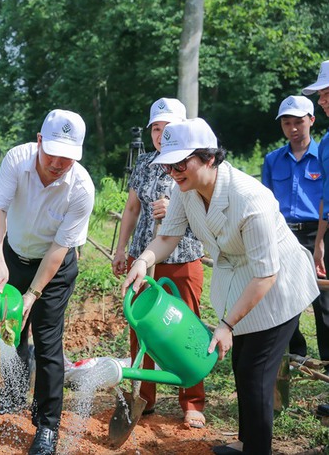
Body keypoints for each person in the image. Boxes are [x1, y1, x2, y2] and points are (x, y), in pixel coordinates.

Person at [122, 118, 318, 455]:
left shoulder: (249, 198)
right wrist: (142, 260)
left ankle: (257, 449)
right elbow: (167, 236)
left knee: (255, 373)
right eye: (169, 165)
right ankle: (246, 442)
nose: (173, 172)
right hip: (243, 280)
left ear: (209, 157)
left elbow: (266, 275)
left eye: (181, 163)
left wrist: (227, 324)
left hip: (278, 286)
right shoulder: (188, 191)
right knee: (243, 366)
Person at [0, 109, 95, 455]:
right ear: (39, 141)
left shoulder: (81, 188)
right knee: (11, 331)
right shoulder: (16, 161)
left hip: (54, 268)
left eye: (67, 158)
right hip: (12, 254)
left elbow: (59, 249)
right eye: (52, 153)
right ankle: (11, 396)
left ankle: (47, 426)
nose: (58, 163)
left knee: (48, 343)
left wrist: (32, 294)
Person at [111, 98, 206, 428]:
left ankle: (191, 400)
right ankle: (144, 395)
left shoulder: (192, 164)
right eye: (155, 128)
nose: (160, 133)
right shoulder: (145, 164)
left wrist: (175, 208)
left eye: (167, 128)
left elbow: (205, 212)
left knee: (186, 327)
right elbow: (131, 209)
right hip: (145, 257)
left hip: (182, 256)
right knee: (143, 328)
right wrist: (122, 249)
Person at [262, 95, 329, 366]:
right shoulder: (273, 160)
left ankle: (327, 359)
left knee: (323, 299)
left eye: (299, 122)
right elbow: (266, 200)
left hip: (317, 232)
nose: (293, 128)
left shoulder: (322, 154)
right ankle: (294, 354)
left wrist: (321, 240)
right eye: (287, 123)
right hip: (284, 232)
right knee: (285, 294)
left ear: (311, 121)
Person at [303, 59, 329, 418]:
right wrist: (321, 239)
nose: (322, 100)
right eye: (321, 95)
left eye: (327, 93)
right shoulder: (326, 143)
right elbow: (324, 193)